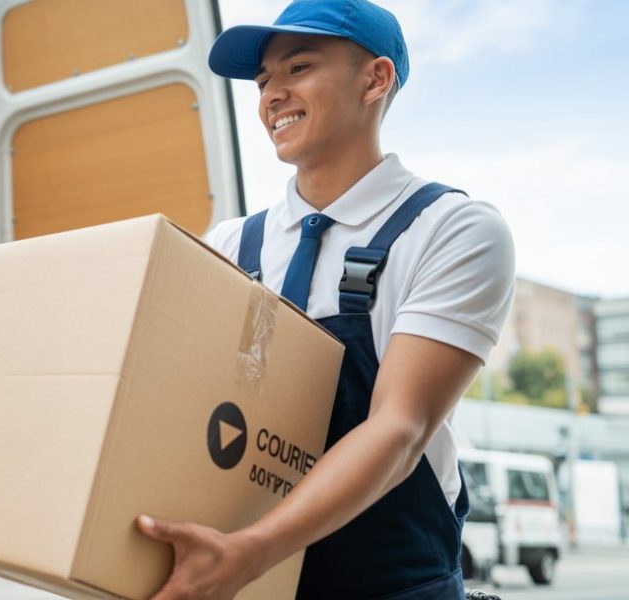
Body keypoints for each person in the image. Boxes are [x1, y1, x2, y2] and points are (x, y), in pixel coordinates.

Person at [135, 1, 515, 598]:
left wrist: (249, 553)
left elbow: (400, 427)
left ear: (376, 79)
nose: (272, 96)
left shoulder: (452, 229)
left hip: (392, 584)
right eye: (263, 81)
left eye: (299, 68)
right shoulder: (230, 245)